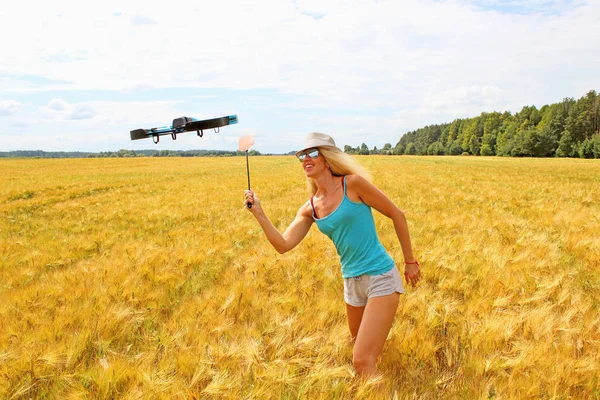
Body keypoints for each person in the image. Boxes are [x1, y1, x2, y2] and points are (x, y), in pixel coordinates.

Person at [243, 132, 420, 378]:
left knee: (362, 362)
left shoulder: (353, 184)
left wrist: (410, 261)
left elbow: (397, 214)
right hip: (351, 283)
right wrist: (259, 213)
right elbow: (283, 244)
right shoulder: (311, 207)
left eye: (313, 153)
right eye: (302, 155)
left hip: (380, 276)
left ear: (326, 158)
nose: (306, 158)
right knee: (362, 353)